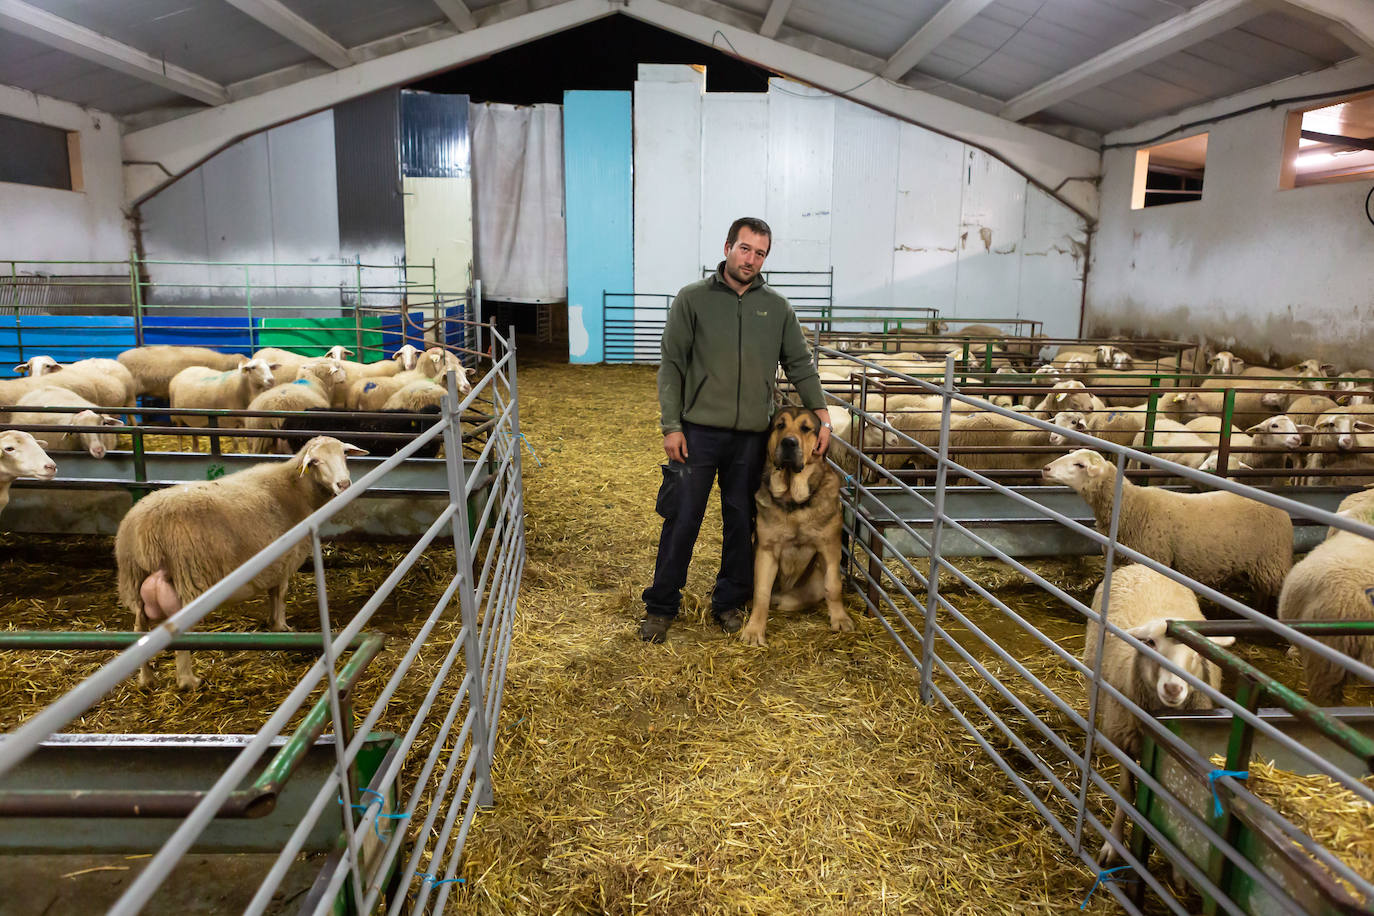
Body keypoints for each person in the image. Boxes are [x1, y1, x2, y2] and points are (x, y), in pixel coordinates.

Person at [639, 217, 831, 643]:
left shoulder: (777, 308)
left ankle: (728, 602)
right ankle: (661, 605)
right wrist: (671, 426)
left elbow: (799, 364)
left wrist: (824, 416)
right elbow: (671, 365)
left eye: (760, 253)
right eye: (745, 249)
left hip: (750, 436)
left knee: (742, 519)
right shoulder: (692, 300)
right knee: (682, 517)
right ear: (728, 247)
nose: (751, 259)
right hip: (698, 432)